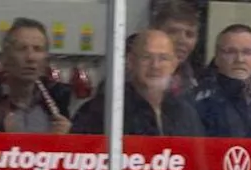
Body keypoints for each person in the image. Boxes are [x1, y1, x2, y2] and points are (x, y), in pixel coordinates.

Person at [72, 29, 204, 136]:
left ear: (174, 64)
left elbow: (199, 162)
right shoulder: (103, 110)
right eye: (146, 57)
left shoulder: (185, 113)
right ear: (131, 61)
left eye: (163, 58)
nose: (155, 66)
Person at [0, 17, 72, 134]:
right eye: (22, 49)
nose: (31, 57)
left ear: (46, 59)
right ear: (6, 57)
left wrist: (65, 142)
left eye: (38, 49)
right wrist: (1, 136)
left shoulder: (61, 101)